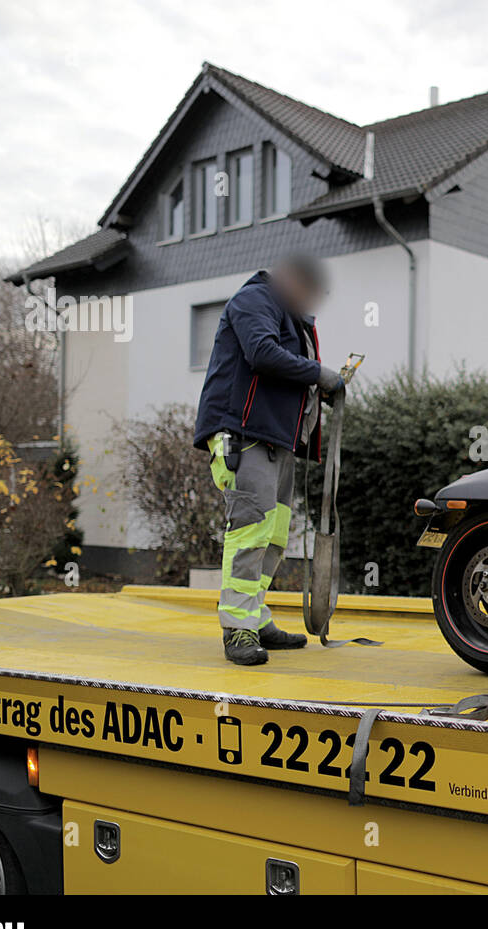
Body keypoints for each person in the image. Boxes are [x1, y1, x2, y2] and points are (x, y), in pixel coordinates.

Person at [193, 254, 344, 665]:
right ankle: (237, 629)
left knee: (274, 537)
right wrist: (317, 374)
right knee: (249, 532)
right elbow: (261, 352)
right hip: (246, 437)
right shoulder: (255, 300)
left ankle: (255, 618)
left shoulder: (289, 316)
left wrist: (319, 388)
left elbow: (284, 372)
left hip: (277, 440)